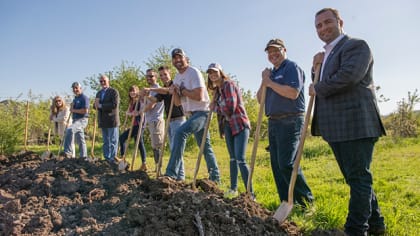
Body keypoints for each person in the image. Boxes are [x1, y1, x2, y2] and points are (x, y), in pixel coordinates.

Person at [310, 8, 386, 235]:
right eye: (318, 26)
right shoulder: (325, 56)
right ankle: (376, 224)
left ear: (340, 22)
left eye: (327, 22)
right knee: (356, 178)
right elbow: (322, 80)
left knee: (359, 178)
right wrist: (316, 67)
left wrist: (317, 87)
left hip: (355, 122)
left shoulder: (356, 46)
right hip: (336, 126)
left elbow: (349, 76)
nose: (323, 28)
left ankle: (355, 229)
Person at [257, 38, 314, 207]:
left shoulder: (291, 67)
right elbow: (261, 99)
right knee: (276, 165)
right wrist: (264, 80)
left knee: (287, 163)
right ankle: (286, 202)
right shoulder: (271, 74)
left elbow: (292, 93)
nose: (273, 54)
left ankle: (306, 202)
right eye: (270, 51)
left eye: (276, 50)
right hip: (273, 122)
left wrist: (271, 83)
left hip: (291, 119)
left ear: (284, 50)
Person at [164, 48, 220, 183]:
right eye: (175, 58)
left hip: (203, 112)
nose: (177, 60)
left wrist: (182, 90)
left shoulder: (193, 72)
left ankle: (171, 173)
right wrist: (174, 92)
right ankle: (215, 178)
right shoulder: (177, 77)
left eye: (180, 57)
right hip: (191, 114)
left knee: (180, 132)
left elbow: (199, 96)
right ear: (172, 61)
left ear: (186, 58)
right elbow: (177, 103)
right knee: (205, 147)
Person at [207, 63, 254, 198]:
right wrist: (222, 128)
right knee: (232, 159)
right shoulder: (219, 91)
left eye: (215, 72)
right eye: (210, 73)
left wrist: (214, 107)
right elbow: (221, 115)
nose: (212, 75)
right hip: (228, 126)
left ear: (221, 72)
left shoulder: (228, 85)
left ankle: (251, 193)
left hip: (239, 124)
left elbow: (230, 108)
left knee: (240, 158)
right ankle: (233, 189)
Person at [144, 66, 186, 174]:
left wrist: (151, 89)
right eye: (161, 75)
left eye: (165, 74)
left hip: (179, 119)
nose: (163, 77)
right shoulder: (162, 89)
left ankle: (180, 175)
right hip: (170, 121)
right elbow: (155, 99)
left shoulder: (174, 85)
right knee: (173, 149)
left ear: (170, 74)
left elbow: (168, 91)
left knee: (176, 148)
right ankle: (178, 174)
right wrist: (146, 95)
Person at [118, 85, 147, 171]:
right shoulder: (132, 102)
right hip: (134, 124)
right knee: (139, 143)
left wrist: (135, 113)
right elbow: (129, 112)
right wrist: (129, 113)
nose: (132, 92)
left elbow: (142, 111)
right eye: (131, 91)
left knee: (122, 138)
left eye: (134, 91)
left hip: (140, 124)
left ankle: (123, 157)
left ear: (137, 91)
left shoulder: (140, 100)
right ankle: (143, 163)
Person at [142, 69, 165, 171]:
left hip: (156, 119)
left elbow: (152, 105)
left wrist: (141, 111)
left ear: (156, 77)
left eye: (151, 76)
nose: (149, 78)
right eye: (147, 76)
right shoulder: (150, 89)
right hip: (150, 119)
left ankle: (159, 168)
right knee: (154, 145)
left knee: (157, 145)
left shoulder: (158, 89)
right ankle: (157, 167)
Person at [94, 74, 120, 164]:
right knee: (105, 141)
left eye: (104, 81)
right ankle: (107, 157)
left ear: (108, 81)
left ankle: (113, 158)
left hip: (112, 119)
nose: (103, 83)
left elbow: (114, 105)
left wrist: (101, 105)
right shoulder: (99, 93)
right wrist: (95, 105)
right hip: (102, 120)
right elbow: (96, 106)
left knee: (113, 140)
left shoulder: (113, 92)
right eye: (101, 81)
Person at [61, 82, 89, 158]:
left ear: (80, 88)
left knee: (69, 130)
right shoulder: (75, 99)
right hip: (75, 120)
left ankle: (68, 152)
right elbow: (72, 109)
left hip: (82, 120)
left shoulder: (84, 98)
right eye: (74, 88)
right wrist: (72, 107)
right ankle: (83, 157)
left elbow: (85, 111)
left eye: (76, 88)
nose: (75, 89)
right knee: (80, 140)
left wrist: (73, 110)